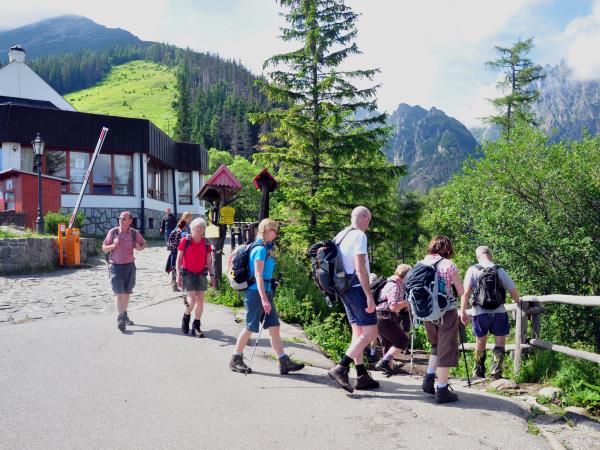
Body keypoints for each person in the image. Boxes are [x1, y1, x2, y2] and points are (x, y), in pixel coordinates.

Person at [229, 218, 305, 375]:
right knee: (250, 326)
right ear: (266, 230)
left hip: (265, 291)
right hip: (256, 292)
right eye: (274, 230)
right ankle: (235, 358)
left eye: (276, 230)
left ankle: (283, 361)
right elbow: (257, 275)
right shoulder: (260, 249)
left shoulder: (265, 248)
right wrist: (264, 299)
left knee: (274, 327)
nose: (276, 234)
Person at [328, 206, 380, 393]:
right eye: (369, 219)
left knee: (357, 331)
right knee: (371, 333)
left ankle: (361, 375)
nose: (369, 223)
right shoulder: (359, 236)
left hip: (342, 288)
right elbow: (360, 267)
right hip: (356, 287)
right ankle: (341, 367)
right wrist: (369, 295)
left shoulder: (340, 235)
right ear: (365, 218)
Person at [460, 246, 521, 379]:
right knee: (500, 343)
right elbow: (513, 289)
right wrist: (518, 302)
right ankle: (496, 372)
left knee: (480, 343)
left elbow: (466, 293)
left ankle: (478, 372)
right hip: (499, 312)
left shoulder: (473, 270)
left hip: (479, 312)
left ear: (477, 256)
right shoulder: (499, 269)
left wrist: (463, 311)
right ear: (490, 255)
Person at [420, 235, 464, 404]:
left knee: (436, 345)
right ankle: (442, 390)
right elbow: (460, 291)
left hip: (427, 312)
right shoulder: (448, 265)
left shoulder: (422, 263)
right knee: (446, 349)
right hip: (446, 311)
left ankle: (429, 379)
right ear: (447, 248)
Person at [102, 211, 146, 331]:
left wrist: (139, 247)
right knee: (118, 293)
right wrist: (113, 246)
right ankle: (121, 317)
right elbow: (104, 248)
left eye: (123, 218)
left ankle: (124, 314)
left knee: (127, 292)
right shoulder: (113, 232)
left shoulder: (134, 233)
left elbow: (143, 244)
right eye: (120, 218)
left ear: (130, 221)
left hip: (129, 266)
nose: (121, 220)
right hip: (115, 266)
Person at [176, 218, 216, 337]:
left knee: (200, 301)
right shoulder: (185, 241)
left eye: (201, 228)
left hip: (201, 274)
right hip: (187, 273)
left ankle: (196, 326)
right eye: (195, 228)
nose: (198, 230)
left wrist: (212, 276)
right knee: (192, 300)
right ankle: (186, 316)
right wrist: (178, 275)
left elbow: (209, 262)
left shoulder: (206, 243)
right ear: (191, 229)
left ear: (204, 230)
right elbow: (178, 259)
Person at [374, 264, 411, 376]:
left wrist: (403, 305)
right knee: (402, 340)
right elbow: (393, 306)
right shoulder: (395, 285)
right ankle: (385, 362)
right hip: (384, 316)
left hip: (377, 315)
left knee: (388, 343)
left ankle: (388, 367)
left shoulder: (389, 282)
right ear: (406, 275)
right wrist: (406, 302)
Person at [165, 219, 188, 291]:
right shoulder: (184, 234)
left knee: (174, 268)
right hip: (180, 253)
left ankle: (174, 285)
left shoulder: (173, 231)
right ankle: (179, 285)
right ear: (184, 226)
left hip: (173, 252)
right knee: (179, 269)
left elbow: (169, 242)